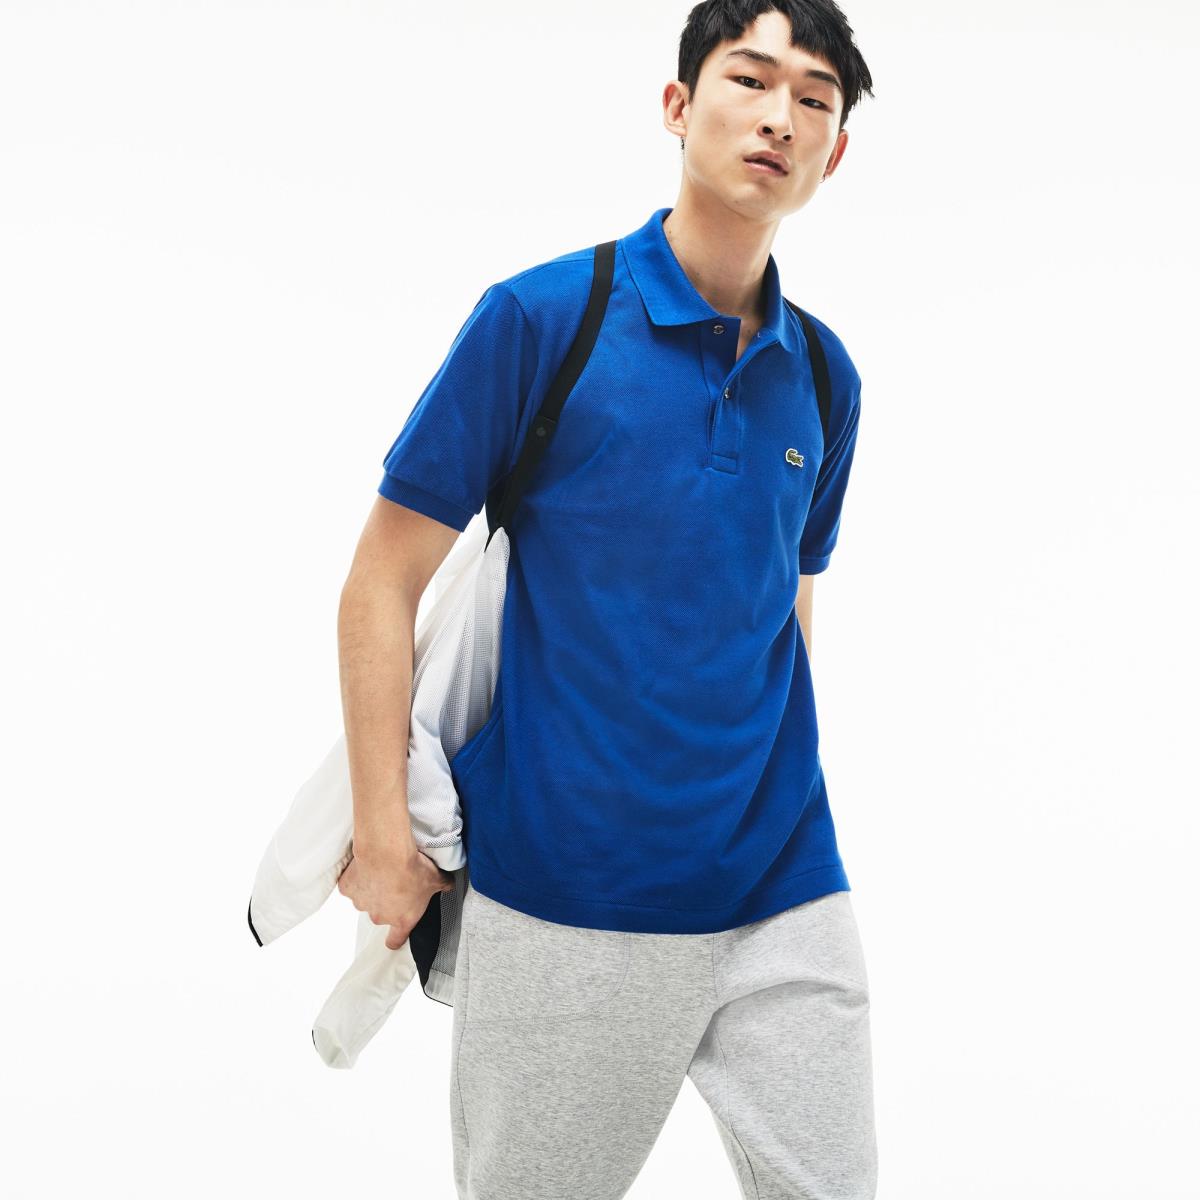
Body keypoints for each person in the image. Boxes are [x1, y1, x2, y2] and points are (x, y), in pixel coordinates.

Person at [336, 1, 877, 1196]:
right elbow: (382, 577)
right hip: (572, 891)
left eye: (814, 100)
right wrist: (383, 828)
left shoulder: (825, 375)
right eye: (751, 79)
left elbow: (785, 605)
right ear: (679, 106)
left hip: (785, 881)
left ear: (833, 152)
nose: (781, 117)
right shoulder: (544, 320)